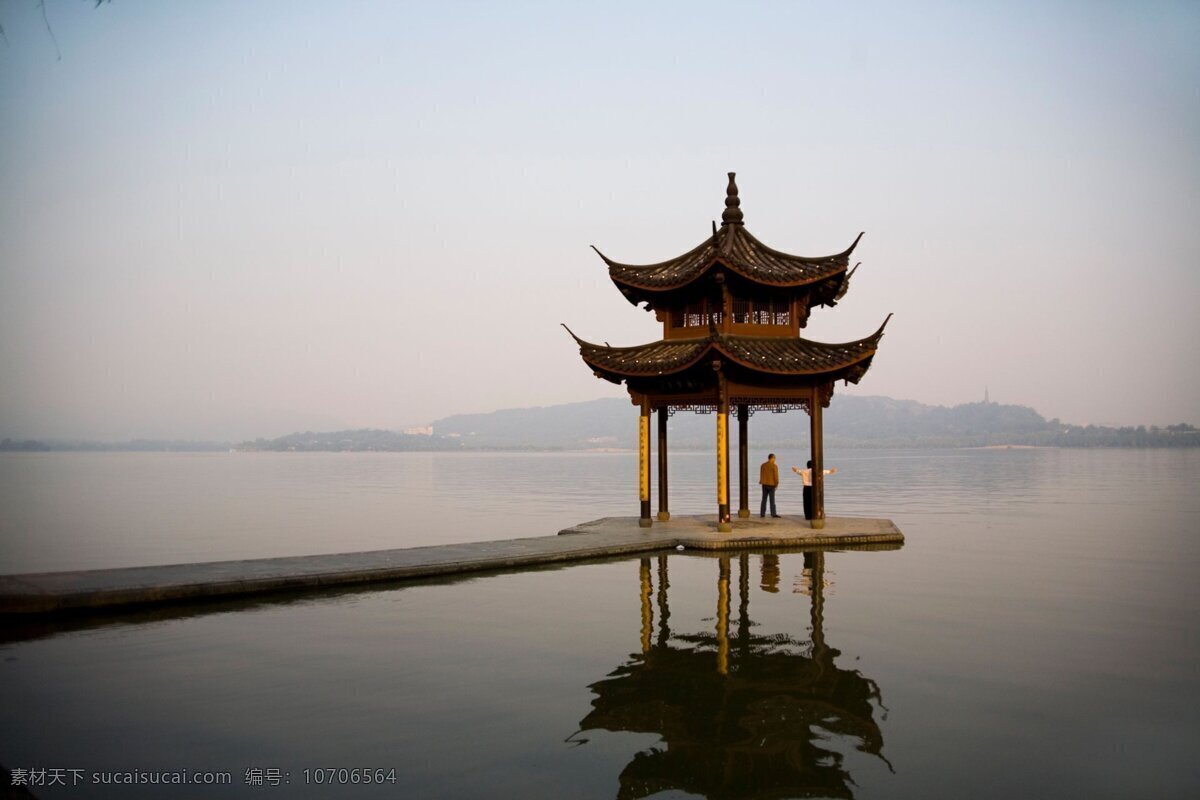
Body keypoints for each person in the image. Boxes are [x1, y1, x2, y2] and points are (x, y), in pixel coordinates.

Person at [759, 453, 780, 518]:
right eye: (774, 458)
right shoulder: (774, 466)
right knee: (772, 500)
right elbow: (776, 476)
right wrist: (776, 484)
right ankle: (773, 514)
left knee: (764, 499)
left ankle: (762, 514)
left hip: (764, 484)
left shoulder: (763, 465)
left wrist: (761, 481)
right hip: (771, 485)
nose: (775, 460)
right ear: (772, 458)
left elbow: (761, 474)